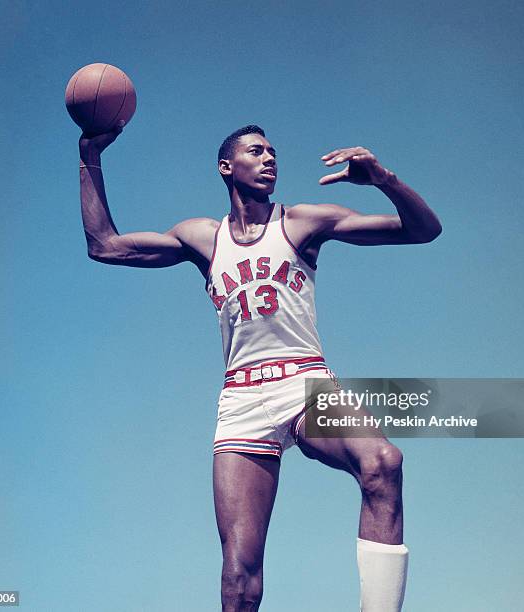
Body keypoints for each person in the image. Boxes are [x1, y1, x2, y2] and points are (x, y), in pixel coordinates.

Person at [78, 122, 442, 611]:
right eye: (257, 151)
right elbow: (104, 245)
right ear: (227, 167)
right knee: (238, 580)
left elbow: (424, 231)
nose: (270, 158)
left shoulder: (303, 222)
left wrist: (384, 180)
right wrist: (89, 154)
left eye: (273, 152)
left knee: (383, 463)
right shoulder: (202, 238)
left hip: (304, 381)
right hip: (241, 400)